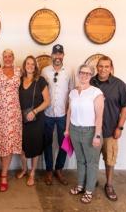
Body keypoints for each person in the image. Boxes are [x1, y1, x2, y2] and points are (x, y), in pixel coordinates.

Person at [90, 56, 126, 201]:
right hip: (92, 130)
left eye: (106, 66)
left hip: (110, 130)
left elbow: (125, 107)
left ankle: (108, 184)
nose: (103, 69)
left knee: (110, 160)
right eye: (100, 66)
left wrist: (120, 127)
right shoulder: (90, 82)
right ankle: (91, 181)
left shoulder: (119, 85)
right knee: (92, 159)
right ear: (97, 67)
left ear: (111, 68)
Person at [65, 64, 104, 204]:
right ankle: (80, 186)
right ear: (78, 74)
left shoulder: (96, 93)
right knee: (80, 160)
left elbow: (99, 116)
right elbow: (69, 111)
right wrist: (67, 129)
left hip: (90, 132)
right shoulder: (73, 93)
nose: (84, 75)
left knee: (91, 163)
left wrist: (97, 135)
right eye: (82, 72)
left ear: (91, 75)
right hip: (75, 130)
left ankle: (89, 191)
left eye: (88, 73)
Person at [0, 49, 22, 192]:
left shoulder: (19, 71)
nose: (7, 58)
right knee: (0, 141)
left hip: (14, 112)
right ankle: (4, 171)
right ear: (2, 58)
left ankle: (3, 175)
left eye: (10, 56)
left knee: (9, 142)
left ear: (13, 57)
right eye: (5, 56)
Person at [41, 44, 74, 185]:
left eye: (60, 54)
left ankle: (58, 169)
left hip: (62, 115)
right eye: (55, 54)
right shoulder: (44, 71)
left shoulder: (69, 71)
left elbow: (72, 92)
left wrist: (69, 111)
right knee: (47, 143)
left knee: (64, 143)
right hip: (47, 113)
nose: (58, 57)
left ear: (63, 55)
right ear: (52, 55)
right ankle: (49, 170)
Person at [17, 55, 50, 186]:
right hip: (21, 118)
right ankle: (24, 169)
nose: (30, 66)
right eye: (28, 63)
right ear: (25, 65)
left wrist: (35, 111)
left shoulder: (40, 80)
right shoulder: (19, 80)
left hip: (36, 119)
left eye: (32, 64)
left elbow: (48, 101)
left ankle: (32, 173)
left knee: (35, 147)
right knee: (21, 146)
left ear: (35, 67)